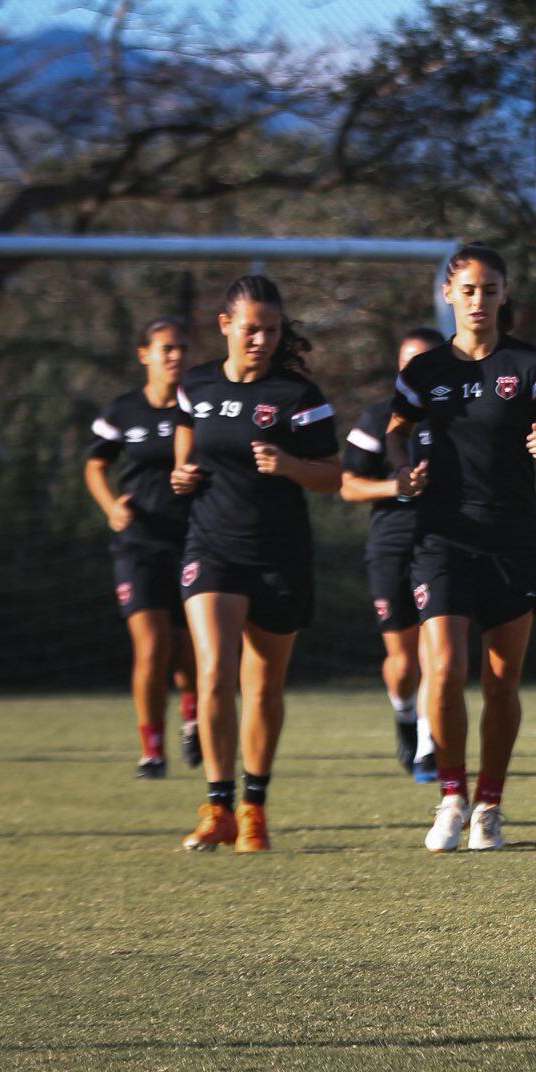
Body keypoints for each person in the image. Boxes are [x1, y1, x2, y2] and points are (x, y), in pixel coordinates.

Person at [390, 244, 536, 852]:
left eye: (490, 289)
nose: (478, 300)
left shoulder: (531, 367)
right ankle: (451, 797)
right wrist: (400, 471)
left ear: (504, 295)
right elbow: (393, 435)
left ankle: (489, 805)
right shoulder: (422, 372)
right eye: (468, 290)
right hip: (441, 537)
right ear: (449, 294)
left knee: (502, 682)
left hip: (510, 539)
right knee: (444, 669)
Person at [172, 277, 342, 852]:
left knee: (264, 684)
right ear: (225, 326)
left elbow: (332, 476)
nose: (261, 340)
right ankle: (217, 805)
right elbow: (186, 442)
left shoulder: (300, 397)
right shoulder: (195, 384)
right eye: (250, 329)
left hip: (278, 554)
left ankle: (254, 807)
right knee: (215, 670)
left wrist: (291, 466)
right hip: (212, 548)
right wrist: (181, 474)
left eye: (271, 330)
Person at [84, 317, 198, 778]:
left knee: (190, 652)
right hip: (139, 545)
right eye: (166, 348)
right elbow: (95, 465)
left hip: (194, 541)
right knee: (151, 648)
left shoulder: (201, 407)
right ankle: (152, 750)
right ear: (143, 354)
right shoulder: (123, 410)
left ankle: (192, 720)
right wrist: (111, 506)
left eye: (182, 348)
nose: (175, 356)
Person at [340, 329, 443, 780]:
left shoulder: (461, 416)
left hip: (443, 544)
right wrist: (393, 486)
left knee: (435, 654)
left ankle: (427, 746)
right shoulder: (379, 419)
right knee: (403, 663)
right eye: (409, 361)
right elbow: (346, 484)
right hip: (391, 545)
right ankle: (405, 713)